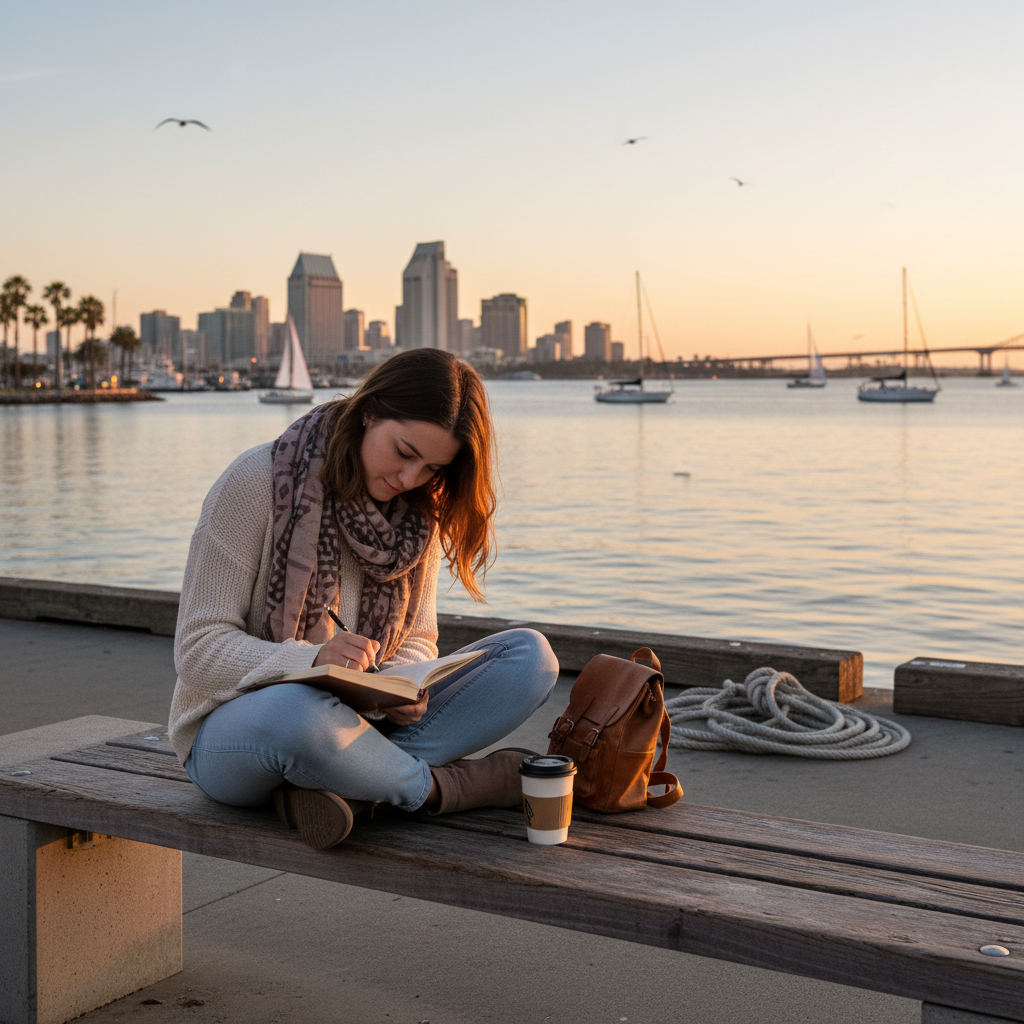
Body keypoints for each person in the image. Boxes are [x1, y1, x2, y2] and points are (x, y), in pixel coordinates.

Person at [168, 349, 558, 849]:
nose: (410, 479)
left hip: (366, 729)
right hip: (238, 735)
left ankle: (351, 789)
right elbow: (198, 650)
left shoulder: (419, 517)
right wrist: (310, 660)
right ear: (370, 411)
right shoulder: (254, 482)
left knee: (530, 658)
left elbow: (419, 637)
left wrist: (402, 686)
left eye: (433, 467)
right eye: (404, 451)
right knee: (297, 710)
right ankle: (442, 788)